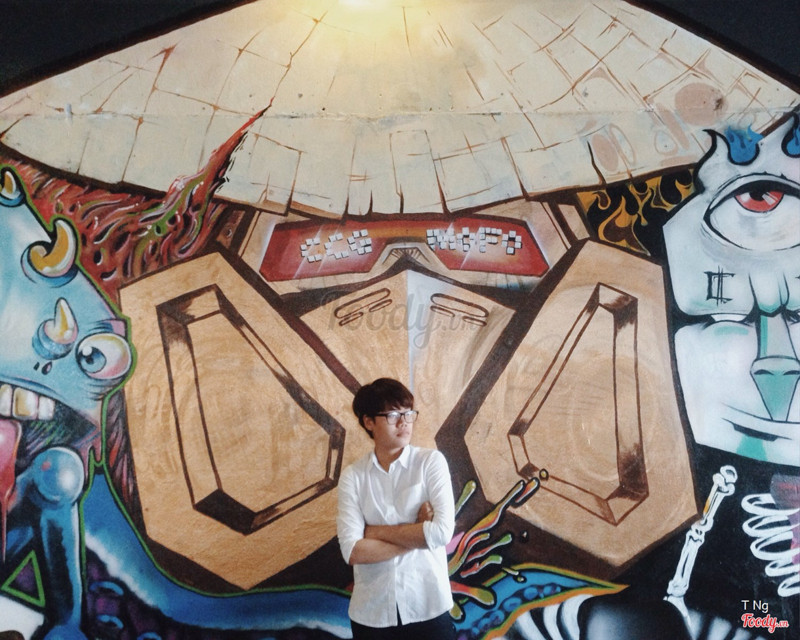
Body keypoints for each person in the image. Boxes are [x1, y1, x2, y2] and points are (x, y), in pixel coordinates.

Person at [337, 378, 456, 640]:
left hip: (428, 607)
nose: (404, 422)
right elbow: (353, 551)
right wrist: (417, 533)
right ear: (369, 422)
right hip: (373, 614)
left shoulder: (430, 463)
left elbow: (441, 533)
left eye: (408, 413)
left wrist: (375, 532)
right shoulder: (353, 477)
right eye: (393, 415)